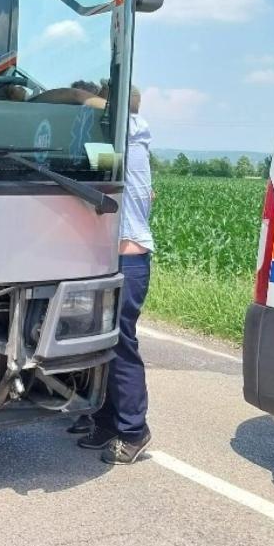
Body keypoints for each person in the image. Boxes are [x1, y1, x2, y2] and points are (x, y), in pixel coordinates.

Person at [71, 85, 154, 464]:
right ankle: (105, 420)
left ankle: (135, 430)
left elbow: (85, 106)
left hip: (128, 260)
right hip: (115, 257)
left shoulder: (126, 139)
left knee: (120, 345)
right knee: (100, 346)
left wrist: (77, 101)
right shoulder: (126, 142)